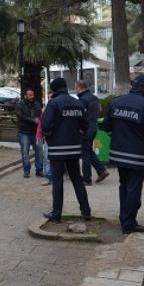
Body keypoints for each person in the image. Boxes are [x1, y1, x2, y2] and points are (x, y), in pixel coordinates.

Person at [101, 74, 144, 234]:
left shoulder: (116, 102)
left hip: (118, 154)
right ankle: (128, 223)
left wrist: (115, 138)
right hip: (137, 156)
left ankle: (125, 218)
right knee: (134, 188)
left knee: (124, 185)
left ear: (132, 86)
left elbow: (106, 126)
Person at [41, 78, 91, 223]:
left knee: (57, 181)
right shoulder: (77, 103)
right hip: (74, 148)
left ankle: (56, 214)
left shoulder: (53, 103)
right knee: (77, 179)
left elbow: (45, 125)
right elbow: (85, 125)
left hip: (57, 149)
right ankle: (86, 210)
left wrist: (50, 135)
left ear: (54, 89)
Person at [75, 80, 110, 186]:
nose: (75, 90)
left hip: (86, 130)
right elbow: (99, 110)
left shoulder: (82, 100)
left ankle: (86, 179)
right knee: (89, 151)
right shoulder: (94, 97)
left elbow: (81, 115)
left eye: (76, 88)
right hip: (94, 128)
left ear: (79, 88)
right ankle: (102, 170)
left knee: (85, 154)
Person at [15, 88, 43, 178]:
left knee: (39, 152)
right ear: (25, 96)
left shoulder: (37, 104)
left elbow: (40, 116)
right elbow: (20, 116)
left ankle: (39, 170)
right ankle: (26, 170)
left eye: (32, 95)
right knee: (25, 152)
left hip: (35, 132)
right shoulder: (20, 104)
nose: (32, 97)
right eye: (30, 95)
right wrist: (33, 120)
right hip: (24, 132)